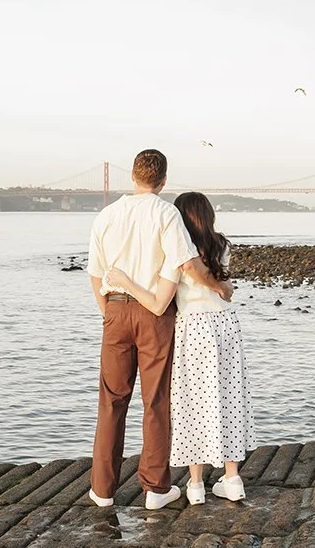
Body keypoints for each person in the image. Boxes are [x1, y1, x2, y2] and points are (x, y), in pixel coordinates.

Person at [87, 149, 231, 509]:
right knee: (156, 403)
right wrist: (218, 287)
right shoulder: (166, 213)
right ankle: (155, 489)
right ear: (163, 180)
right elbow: (188, 264)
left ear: (132, 176)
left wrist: (110, 312)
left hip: (116, 312)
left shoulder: (106, 215)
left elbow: (94, 272)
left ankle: (102, 491)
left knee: (111, 401)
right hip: (155, 314)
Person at [106, 191, 253, 505]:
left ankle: (196, 485)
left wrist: (127, 284)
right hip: (226, 325)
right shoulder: (222, 245)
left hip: (194, 328)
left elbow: (161, 300)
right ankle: (232, 478)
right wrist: (222, 286)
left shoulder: (177, 253)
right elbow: (220, 285)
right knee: (228, 396)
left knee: (192, 403)